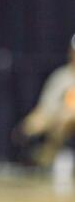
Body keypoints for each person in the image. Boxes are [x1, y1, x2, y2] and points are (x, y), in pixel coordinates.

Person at [15, 35, 75, 167]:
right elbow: (46, 106)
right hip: (55, 118)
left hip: (66, 123)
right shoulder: (61, 76)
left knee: (66, 119)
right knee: (29, 126)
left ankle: (52, 155)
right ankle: (32, 162)